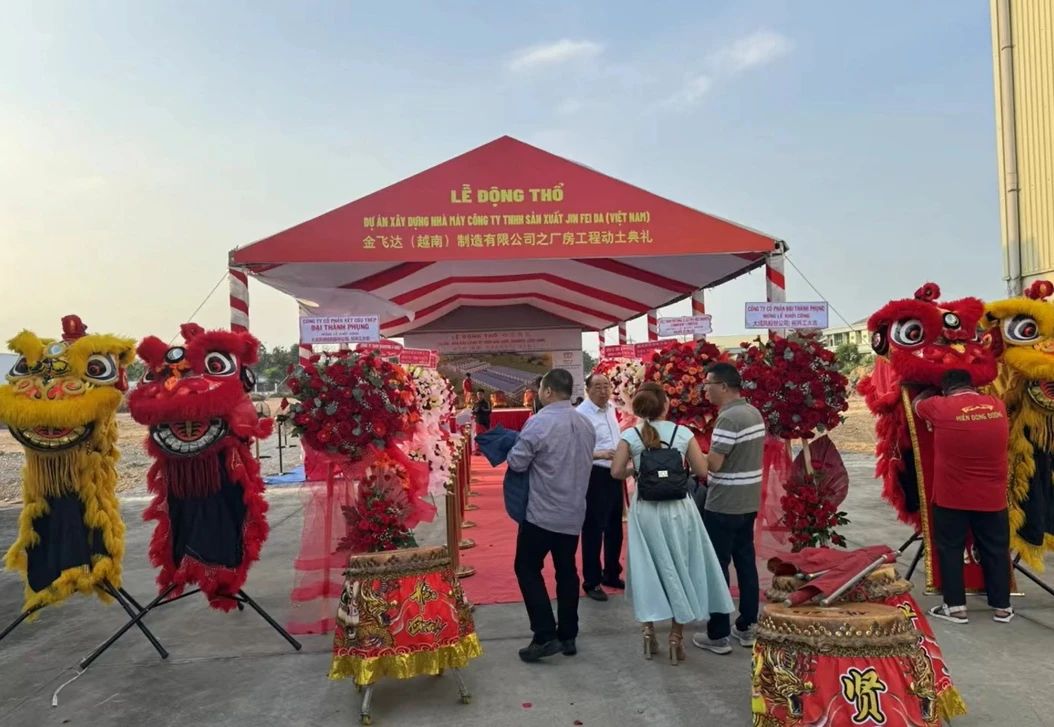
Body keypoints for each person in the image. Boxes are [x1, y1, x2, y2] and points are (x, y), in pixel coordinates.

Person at [611, 382, 734, 665]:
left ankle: (648, 631)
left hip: (645, 510)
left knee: (647, 567)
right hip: (679, 509)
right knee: (680, 565)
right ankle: (676, 638)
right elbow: (702, 470)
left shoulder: (630, 435)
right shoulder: (683, 433)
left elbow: (616, 472)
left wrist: (637, 469)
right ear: (665, 405)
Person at [507, 368, 596, 662]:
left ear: (547, 391)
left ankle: (545, 634)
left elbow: (518, 463)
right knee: (566, 570)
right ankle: (568, 635)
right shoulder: (585, 423)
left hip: (542, 513)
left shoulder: (539, 422)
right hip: (573, 511)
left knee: (527, 568)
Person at [914, 369, 1013, 624]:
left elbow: (916, 405)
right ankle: (1003, 607)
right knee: (996, 549)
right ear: (972, 386)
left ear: (945, 390)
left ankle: (956, 608)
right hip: (992, 497)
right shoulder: (997, 405)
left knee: (951, 549)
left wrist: (929, 392)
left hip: (952, 497)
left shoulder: (939, 406)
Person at [692, 362, 766, 656]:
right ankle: (747, 625)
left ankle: (718, 633)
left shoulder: (728, 419)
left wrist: (693, 452)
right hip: (748, 500)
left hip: (724, 503)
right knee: (745, 563)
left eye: (708, 385)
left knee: (717, 567)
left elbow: (715, 464)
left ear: (723, 386)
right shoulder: (753, 412)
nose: (705, 391)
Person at [576, 373, 625, 601]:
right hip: (595, 474)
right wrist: (601, 454)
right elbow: (576, 449)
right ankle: (592, 581)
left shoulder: (611, 409)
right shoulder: (581, 415)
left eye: (606, 386)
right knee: (594, 528)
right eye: (597, 386)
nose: (603, 391)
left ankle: (611, 573)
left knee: (615, 526)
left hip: (615, 472)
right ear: (587, 389)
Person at [471, 389, 492, 455]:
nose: (479, 396)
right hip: (478, 421)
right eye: (478, 394)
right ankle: (478, 449)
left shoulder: (487, 402)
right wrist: (476, 410)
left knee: (485, 435)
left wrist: (483, 409)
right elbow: (472, 412)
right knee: (478, 435)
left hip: (485, 421)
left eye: (481, 394)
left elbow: (489, 411)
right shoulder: (475, 403)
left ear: (483, 395)